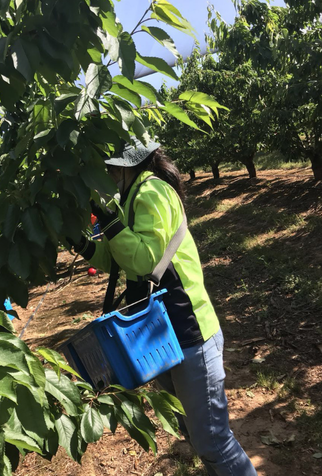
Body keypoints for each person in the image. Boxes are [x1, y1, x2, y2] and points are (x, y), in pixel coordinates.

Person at [71, 137, 258, 476]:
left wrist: (110, 219)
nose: (108, 173)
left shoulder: (151, 192)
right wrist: (83, 242)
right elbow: (114, 255)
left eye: (112, 166)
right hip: (161, 333)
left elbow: (143, 259)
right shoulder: (129, 197)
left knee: (214, 441)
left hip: (190, 331)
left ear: (128, 165)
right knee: (193, 431)